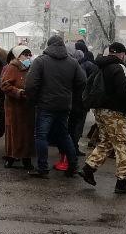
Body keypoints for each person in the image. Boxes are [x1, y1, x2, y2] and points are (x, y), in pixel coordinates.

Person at [80, 42, 126, 193]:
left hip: (100, 110)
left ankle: (88, 168)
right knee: (123, 145)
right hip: (116, 112)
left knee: (106, 142)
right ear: (122, 54)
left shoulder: (101, 65)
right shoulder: (119, 67)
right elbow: (125, 91)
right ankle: (123, 181)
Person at [25, 34, 85, 178]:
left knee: (41, 136)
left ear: (49, 45)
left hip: (45, 105)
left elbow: (31, 84)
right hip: (64, 105)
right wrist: (71, 95)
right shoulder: (73, 62)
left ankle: (42, 168)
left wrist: (33, 100)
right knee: (64, 135)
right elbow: (82, 81)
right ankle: (73, 165)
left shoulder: (41, 61)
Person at [0, 45, 35, 169]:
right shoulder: (12, 67)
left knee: (27, 133)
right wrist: (18, 92)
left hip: (27, 107)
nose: (28, 57)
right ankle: (11, 156)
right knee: (13, 132)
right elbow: (4, 85)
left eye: (29, 55)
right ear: (18, 56)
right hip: (14, 107)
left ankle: (26, 158)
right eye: (25, 55)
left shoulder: (31, 68)